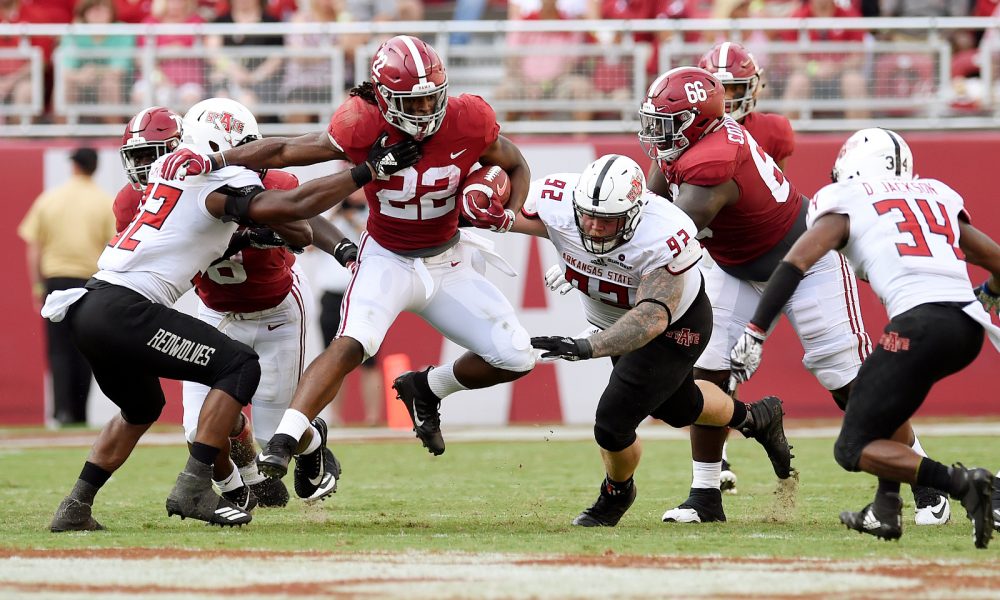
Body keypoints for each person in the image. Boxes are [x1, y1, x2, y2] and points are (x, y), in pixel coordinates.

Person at [159, 36, 535, 490]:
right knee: (353, 341)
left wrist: (509, 211)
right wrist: (217, 158)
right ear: (384, 96)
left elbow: (516, 163)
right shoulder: (362, 123)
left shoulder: (470, 116)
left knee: (516, 357)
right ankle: (286, 440)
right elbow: (283, 152)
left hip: (448, 259)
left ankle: (427, 388)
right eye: (411, 103)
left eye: (431, 99)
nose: (424, 112)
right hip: (387, 257)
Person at [44, 97, 420, 531]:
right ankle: (196, 486)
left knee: (141, 409)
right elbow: (288, 203)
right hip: (131, 307)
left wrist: (263, 238)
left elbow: (282, 203)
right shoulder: (205, 181)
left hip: (88, 308)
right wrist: (364, 170)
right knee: (239, 366)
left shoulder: (176, 177)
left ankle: (75, 506)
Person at [641, 67, 943, 526]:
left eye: (667, 121)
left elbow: (669, 236)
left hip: (806, 261)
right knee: (708, 373)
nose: (656, 133)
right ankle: (705, 495)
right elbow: (651, 207)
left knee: (850, 384)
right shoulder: (684, 146)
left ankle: (928, 485)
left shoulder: (714, 163)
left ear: (695, 122)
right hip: (734, 266)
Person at [729, 128, 1000, 549]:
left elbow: (795, 263)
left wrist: (755, 329)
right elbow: (993, 257)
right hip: (967, 329)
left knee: (853, 447)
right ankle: (885, 510)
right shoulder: (935, 194)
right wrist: (994, 291)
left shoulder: (847, 199)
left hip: (919, 325)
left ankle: (967, 484)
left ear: (850, 165)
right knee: (883, 413)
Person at [515, 154, 792, 527]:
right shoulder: (557, 198)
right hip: (617, 319)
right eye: (588, 217)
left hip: (675, 323)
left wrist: (586, 347)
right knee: (680, 407)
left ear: (633, 215)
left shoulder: (664, 232)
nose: (595, 229)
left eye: (608, 221)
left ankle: (615, 494)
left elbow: (651, 318)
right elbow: (500, 208)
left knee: (612, 422)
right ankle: (757, 418)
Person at [115, 103, 350, 507]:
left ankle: (311, 445)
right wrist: (239, 239)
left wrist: (336, 246)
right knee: (196, 429)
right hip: (216, 310)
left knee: (275, 429)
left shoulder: (258, 179)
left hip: (276, 305)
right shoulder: (141, 200)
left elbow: (302, 223)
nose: (147, 166)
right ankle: (241, 487)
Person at [18, 147, 116, 426]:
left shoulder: (50, 200)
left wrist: (38, 287)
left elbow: (34, 247)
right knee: (84, 348)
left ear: (73, 166)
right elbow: (112, 248)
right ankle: (80, 413)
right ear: (94, 168)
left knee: (58, 348)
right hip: (87, 283)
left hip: (55, 280)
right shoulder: (103, 202)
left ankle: (62, 412)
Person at [313, 191, 384, 427]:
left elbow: (372, 243)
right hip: (332, 296)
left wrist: (352, 218)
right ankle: (335, 418)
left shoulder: (372, 215)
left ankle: (373, 417)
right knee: (331, 359)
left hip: (361, 297)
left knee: (370, 359)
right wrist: (334, 215)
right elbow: (310, 246)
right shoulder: (327, 216)